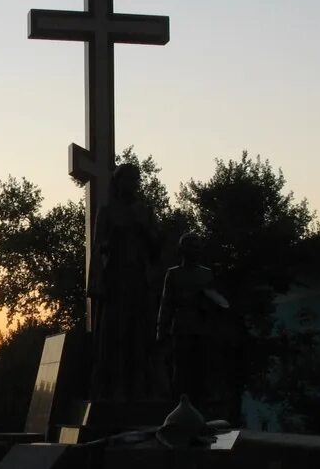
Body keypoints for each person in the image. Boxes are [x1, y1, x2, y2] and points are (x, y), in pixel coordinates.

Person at [87, 164, 160, 400]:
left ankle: (140, 387)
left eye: (135, 179)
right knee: (115, 334)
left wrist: (145, 230)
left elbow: (157, 248)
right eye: (127, 179)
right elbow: (98, 247)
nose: (132, 183)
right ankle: (113, 387)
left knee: (140, 335)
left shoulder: (144, 212)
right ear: (117, 184)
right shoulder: (107, 212)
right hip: (116, 280)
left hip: (139, 279)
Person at [156, 233, 229, 415]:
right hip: (181, 328)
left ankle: (202, 411)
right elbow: (166, 304)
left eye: (197, 247)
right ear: (182, 250)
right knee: (181, 373)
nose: (195, 250)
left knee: (203, 372)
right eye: (191, 247)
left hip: (203, 329)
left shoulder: (206, 273)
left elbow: (216, 300)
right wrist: (161, 331)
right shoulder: (173, 274)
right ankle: (179, 411)